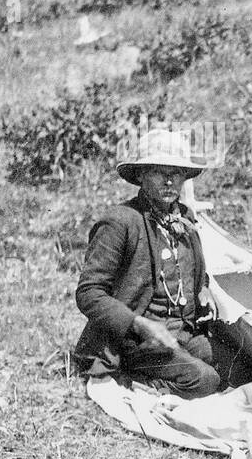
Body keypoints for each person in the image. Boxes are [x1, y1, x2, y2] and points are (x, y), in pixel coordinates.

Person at [73, 130, 221, 399]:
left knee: (239, 366)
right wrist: (138, 324)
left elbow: (193, 267)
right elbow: (88, 293)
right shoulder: (120, 222)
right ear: (140, 175)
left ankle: (175, 370)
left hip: (181, 333)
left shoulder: (183, 218)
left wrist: (204, 288)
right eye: (158, 172)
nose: (169, 181)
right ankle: (137, 382)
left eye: (176, 173)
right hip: (134, 341)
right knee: (205, 380)